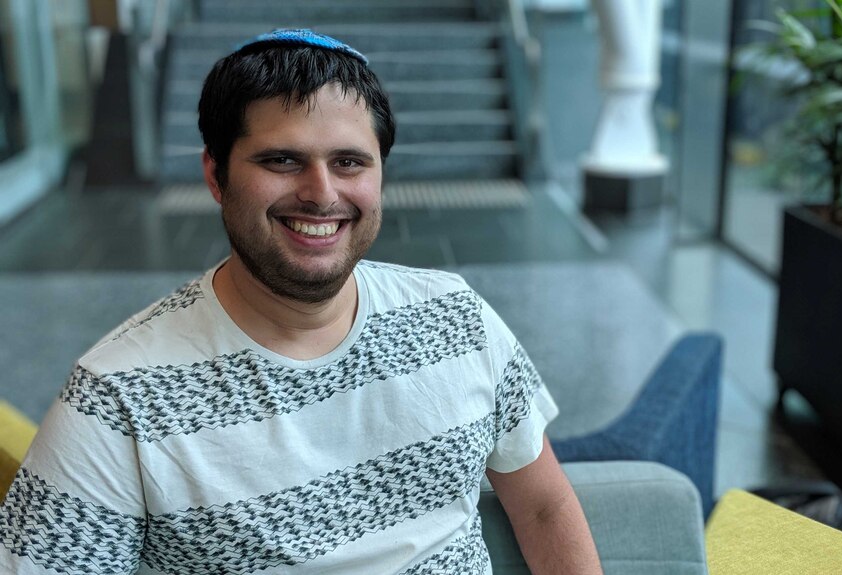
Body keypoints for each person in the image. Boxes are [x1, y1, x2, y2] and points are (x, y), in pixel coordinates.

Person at [0, 29, 603, 574]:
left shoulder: (456, 317)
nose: (321, 194)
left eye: (349, 162)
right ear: (216, 176)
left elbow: (546, 508)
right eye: (282, 160)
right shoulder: (118, 395)